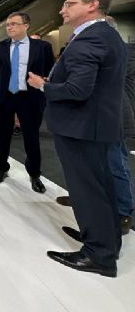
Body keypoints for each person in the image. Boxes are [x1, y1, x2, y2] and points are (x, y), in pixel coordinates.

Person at [28, 0, 126, 278]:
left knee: (88, 191)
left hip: (81, 127)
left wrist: (43, 86)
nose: (62, 10)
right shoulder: (106, 34)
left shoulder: (91, 38)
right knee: (102, 186)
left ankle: (98, 255)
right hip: (93, 125)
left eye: (69, 4)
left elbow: (77, 90)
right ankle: (106, 240)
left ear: (92, 5)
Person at [55, 16, 135, 235]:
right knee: (88, 163)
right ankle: (84, 198)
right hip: (89, 116)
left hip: (112, 116)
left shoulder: (121, 51)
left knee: (115, 164)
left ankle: (124, 211)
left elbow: (94, 80)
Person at [0, 12, 55, 193]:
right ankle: (2, 168)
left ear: (26, 25)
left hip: (30, 98)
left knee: (31, 138)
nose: (9, 27)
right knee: (3, 136)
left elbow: (49, 70)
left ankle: (34, 174)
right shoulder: (0, 47)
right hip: (5, 98)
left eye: (14, 24)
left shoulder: (42, 47)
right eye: (7, 24)